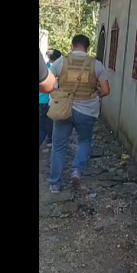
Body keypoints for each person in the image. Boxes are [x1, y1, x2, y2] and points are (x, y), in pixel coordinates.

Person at [48, 35, 110, 193]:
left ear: (71, 45)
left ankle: (55, 184)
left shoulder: (60, 62)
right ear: (88, 47)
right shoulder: (97, 65)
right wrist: (94, 95)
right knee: (84, 141)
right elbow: (106, 91)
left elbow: (48, 83)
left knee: (59, 147)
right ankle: (76, 170)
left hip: (63, 110)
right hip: (87, 110)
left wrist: (59, 93)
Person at [39, 50, 62, 148]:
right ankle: (49, 140)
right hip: (45, 101)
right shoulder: (50, 70)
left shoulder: (44, 67)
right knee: (46, 124)